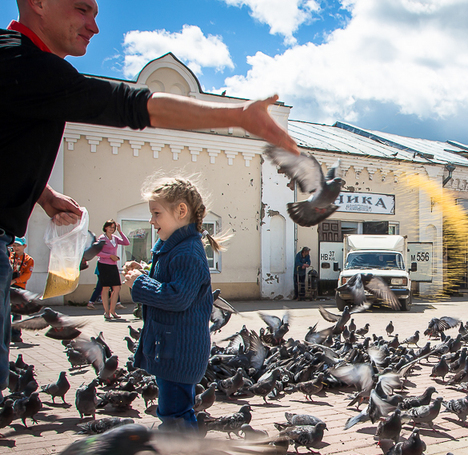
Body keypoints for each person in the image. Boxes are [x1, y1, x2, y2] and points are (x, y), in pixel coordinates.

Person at [0, 0, 299, 399]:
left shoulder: (21, 68)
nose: (94, 26)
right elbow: (132, 104)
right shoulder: (24, 63)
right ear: (40, 2)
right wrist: (239, 117)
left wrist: (45, 195)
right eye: (82, 9)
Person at [123, 175, 229, 430]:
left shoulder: (187, 251)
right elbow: (170, 283)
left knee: (175, 417)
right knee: (173, 413)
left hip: (180, 353)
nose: (151, 220)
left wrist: (139, 283)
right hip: (173, 350)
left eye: (156, 213)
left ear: (181, 211)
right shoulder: (175, 248)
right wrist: (145, 273)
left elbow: (177, 296)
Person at [96, 220, 129, 320]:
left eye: (113, 227)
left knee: (117, 288)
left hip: (113, 266)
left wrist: (120, 231)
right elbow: (97, 252)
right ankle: (106, 312)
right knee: (105, 288)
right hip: (104, 265)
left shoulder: (115, 238)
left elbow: (126, 243)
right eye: (110, 227)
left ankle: (113, 310)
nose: (112, 229)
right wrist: (110, 256)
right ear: (105, 227)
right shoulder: (102, 238)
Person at [8, 237, 33, 342]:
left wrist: (16, 280)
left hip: (19, 287)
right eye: (14, 245)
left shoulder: (28, 260)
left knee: (17, 312)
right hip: (8, 286)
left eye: (18, 245)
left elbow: (27, 274)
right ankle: (6, 334)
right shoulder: (9, 257)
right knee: (6, 311)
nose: (16, 248)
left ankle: (16, 334)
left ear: (24, 246)